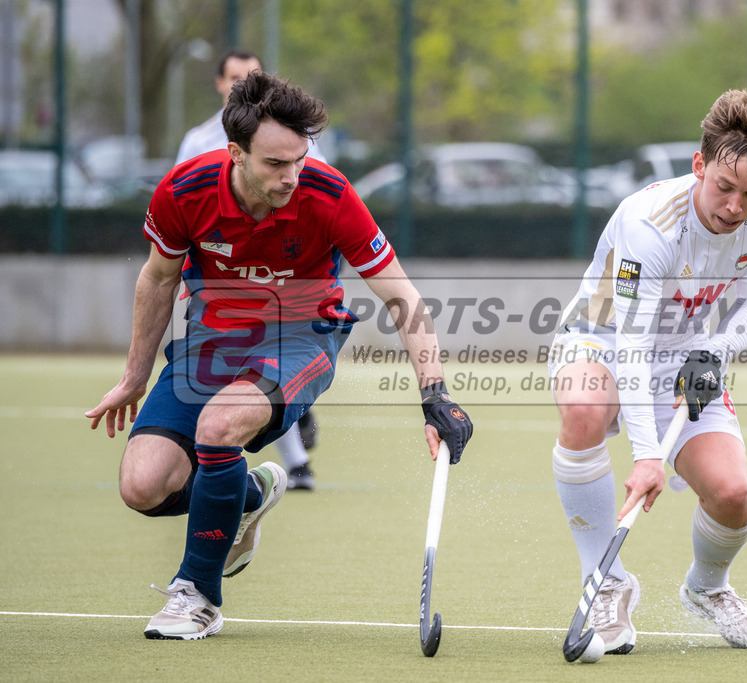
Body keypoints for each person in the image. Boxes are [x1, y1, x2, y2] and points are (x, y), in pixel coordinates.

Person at [86, 71, 472, 640]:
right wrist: (133, 379)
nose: (292, 176)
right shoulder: (183, 192)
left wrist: (435, 394)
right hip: (211, 341)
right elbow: (158, 278)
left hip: (302, 337)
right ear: (235, 153)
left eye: (299, 158)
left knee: (219, 426)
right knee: (143, 487)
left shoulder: (328, 193)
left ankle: (197, 596)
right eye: (275, 164)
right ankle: (250, 492)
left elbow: (401, 295)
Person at [547, 89, 747, 654]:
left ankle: (708, 590)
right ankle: (604, 581)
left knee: (732, 494)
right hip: (601, 336)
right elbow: (630, 345)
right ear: (699, 166)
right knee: (586, 410)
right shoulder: (650, 225)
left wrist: (717, 350)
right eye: (724, 187)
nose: (735, 207)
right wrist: (647, 456)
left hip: (685, 350)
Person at [176, 49, 324, 490]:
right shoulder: (198, 142)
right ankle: (280, 457)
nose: (244, 84)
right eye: (235, 77)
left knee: (261, 368)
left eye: (253, 76)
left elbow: (321, 196)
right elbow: (182, 210)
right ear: (221, 85)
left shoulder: (294, 138)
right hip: (218, 277)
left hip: (283, 274)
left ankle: (293, 458)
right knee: (237, 373)